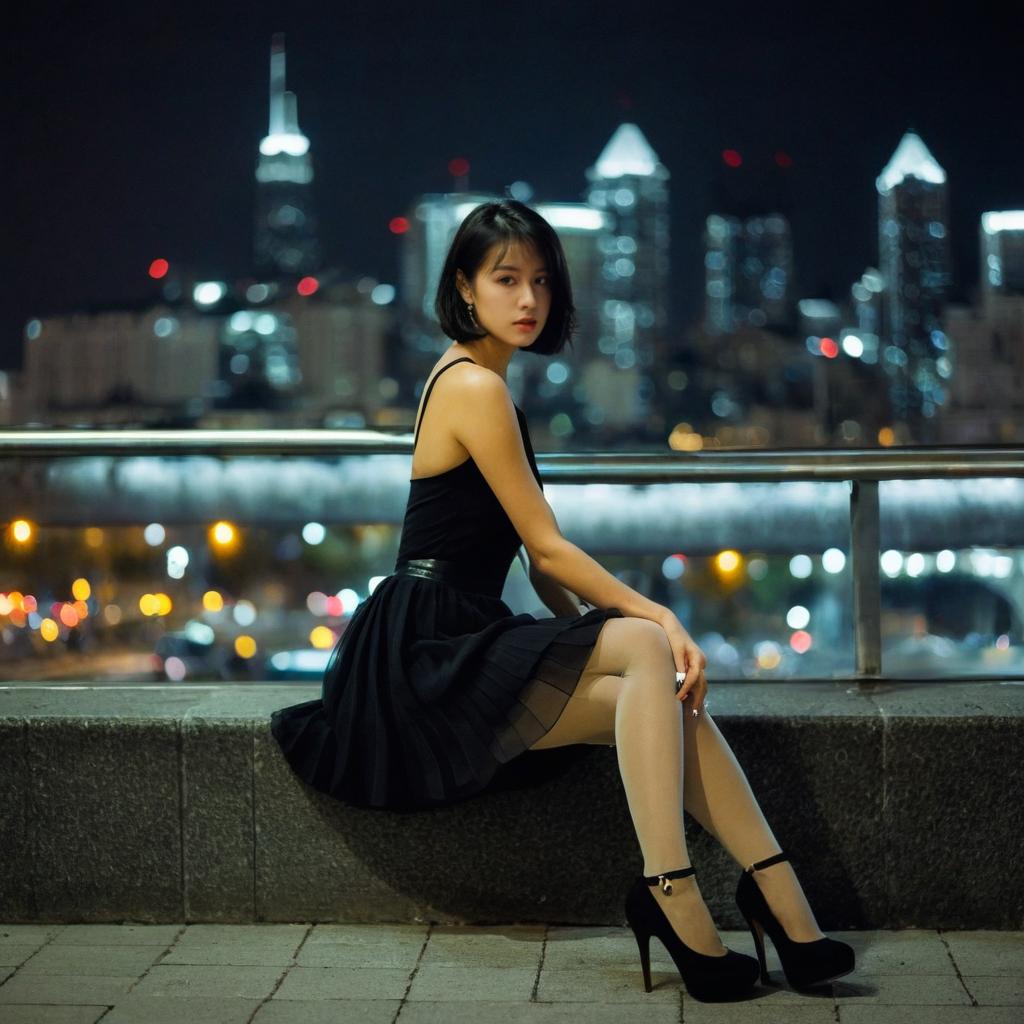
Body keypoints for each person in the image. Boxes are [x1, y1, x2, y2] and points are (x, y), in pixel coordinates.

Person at [270, 199, 854, 1001]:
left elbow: (536, 559)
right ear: (464, 288)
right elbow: (547, 548)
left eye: (542, 281)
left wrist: (596, 652)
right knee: (644, 646)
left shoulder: (481, 383)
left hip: (451, 637)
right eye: (506, 279)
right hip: (423, 656)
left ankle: (782, 903)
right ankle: (677, 892)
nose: (529, 299)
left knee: (655, 693)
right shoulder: (472, 386)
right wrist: (656, 618)